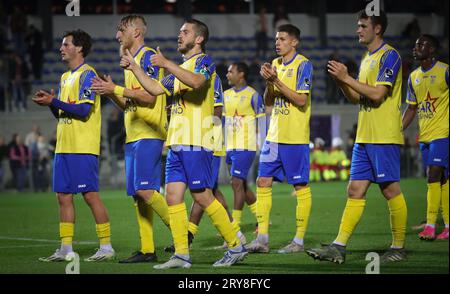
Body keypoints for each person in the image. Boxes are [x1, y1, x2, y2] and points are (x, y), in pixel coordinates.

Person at [120, 18, 247, 268]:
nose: (180, 35)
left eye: (185, 32)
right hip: (177, 141)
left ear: (198, 38)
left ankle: (235, 245)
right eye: (179, 32)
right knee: (172, 197)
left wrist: (166, 63)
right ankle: (181, 254)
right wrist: (135, 68)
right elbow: (155, 89)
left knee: (201, 196)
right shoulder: (179, 70)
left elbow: (198, 82)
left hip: (196, 139)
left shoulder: (203, 62)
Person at [306, 10, 408, 264]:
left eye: (363, 25)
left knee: (390, 189)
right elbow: (358, 98)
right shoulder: (366, 58)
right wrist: (341, 83)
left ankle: (398, 247)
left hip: (383, 135)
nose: (358, 30)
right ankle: (338, 246)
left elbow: (377, 95)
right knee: (354, 189)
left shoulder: (390, 56)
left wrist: (347, 77)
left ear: (378, 29)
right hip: (364, 135)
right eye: (357, 26)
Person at [91, 15, 171, 263]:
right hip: (134, 133)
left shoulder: (146, 56)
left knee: (145, 190)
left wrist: (115, 89)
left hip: (149, 131)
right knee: (138, 195)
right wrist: (111, 92)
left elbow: (150, 97)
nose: (117, 36)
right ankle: (148, 250)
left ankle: (184, 230)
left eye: (120, 30)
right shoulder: (131, 62)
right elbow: (129, 101)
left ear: (136, 32)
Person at [33, 29, 115, 262]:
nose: (61, 48)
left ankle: (106, 247)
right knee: (63, 197)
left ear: (79, 48)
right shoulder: (64, 77)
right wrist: (50, 104)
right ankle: (66, 249)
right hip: (64, 146)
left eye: (65, 44)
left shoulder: (88, 75)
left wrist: (54, 101)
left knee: (90, 196)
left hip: (82, 146)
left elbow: (83, 110)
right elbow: (62, 114)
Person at [245, 24, 313, 255]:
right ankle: (262, 239)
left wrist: (278, 81)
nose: (277, 42)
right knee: (263, 181)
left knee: (300, 186)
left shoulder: (303, 64)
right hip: (273, 136)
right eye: (276, 39)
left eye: (282, 39)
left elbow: (301, 100)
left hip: (295, 136)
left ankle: (299, 241)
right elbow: (268, 101)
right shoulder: (274, 64)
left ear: (294, 42)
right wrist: (268, 82)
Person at [402, 34, 449, 240]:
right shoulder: (413, 77)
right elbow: (411, 109)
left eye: (421, 44)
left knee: (433, 174)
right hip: (426, 136)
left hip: (443, 134)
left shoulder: (445, 71)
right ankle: (447, 226)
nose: (416, 47)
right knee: (443, 179)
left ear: (432, 50)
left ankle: (430, 226)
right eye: (415, 44)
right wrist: (396, 131)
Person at [223, 62, 264, 239]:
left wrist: (264, 145)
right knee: (239, 184)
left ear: (241, 74)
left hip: (246, 145)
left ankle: (235, 228)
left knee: (237, 183)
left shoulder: (253, 96)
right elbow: (222, 122)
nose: (227, 74)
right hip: (229, 146)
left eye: (230, 71)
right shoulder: (225, 95)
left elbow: (262, 122)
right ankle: (261, 219)